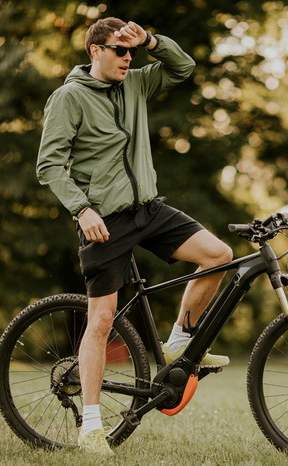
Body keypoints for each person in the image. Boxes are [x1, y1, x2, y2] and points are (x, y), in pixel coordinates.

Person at [36, 17, 233, 454]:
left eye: (132, 51)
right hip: (103, 221)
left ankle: (181, 338)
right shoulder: (69, 97)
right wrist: (82, 209)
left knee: (218, 255)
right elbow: (49, 165)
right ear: (95, 51)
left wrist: (151, 40)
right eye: (119, 50)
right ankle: (90, 427)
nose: (128, 58)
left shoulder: (137, 84)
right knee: (102, 321)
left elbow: (183, 67)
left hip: (148, 208)